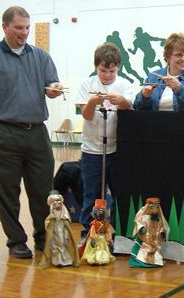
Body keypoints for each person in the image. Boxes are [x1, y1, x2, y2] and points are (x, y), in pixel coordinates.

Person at [0, 6, 64, 259]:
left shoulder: (41, 56)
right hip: (3, 133)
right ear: (5, 27)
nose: (24, 33)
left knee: (43, 190)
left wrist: (56, 89)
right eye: (18, 28)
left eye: (27, 28)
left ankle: (42, 236)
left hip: (37, 132)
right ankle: (16, 241)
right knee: (8, 193)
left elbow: (50, 88)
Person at [75, 42, 134, 243]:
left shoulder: (125, 85)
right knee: (91, 194)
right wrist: (92, 101)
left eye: (111, 71)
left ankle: (115, 235)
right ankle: (88, 234)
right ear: (95, 67)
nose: (107, 75)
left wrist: (123, 101)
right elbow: (87, 115)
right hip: (91, 150)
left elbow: (130, 108)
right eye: (103, 71)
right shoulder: (87, 84)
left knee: (118, 193)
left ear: (118, 68)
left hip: (116, 150)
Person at [133, 33, 184, 111]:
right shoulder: (153, 76)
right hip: (154, 122)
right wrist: (144, 96)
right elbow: (138, 108)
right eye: (179, 55)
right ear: (168, 56)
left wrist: (179, 89)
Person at [40, 191, 80, 269]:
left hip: (63, 230)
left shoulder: (64, 214)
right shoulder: (51, 216)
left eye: (59, 204)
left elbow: (67, 219)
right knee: (55, 245)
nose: (57, 206)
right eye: (55, 204)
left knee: (65, 243)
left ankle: (67, 260)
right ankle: (58, 260)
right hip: (55, 232)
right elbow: (48, 223)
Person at [129, 197, 169, 268]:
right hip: (145, 240)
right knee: (142, 251)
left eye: (156, 207)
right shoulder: (144, 218)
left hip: (154, 241)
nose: (154, 210)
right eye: (152, 207)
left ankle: (154, 262)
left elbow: (162, 227)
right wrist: (141, 229)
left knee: (155, 254)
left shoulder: (159, 219)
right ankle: (140, 262)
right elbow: (139, 223)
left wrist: (162, 233)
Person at [79, 199, 115, 265]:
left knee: (102, 250)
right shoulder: (94, 223)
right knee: (93, 250)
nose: (98, 214)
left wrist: (109, 239)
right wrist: (93, 238)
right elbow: (92, 232)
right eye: (96, 211)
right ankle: (93, 259)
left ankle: (102, 259)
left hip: (102, 240)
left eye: (100, 212)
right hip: (96, 239)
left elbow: (108, 232)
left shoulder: (106, 223)